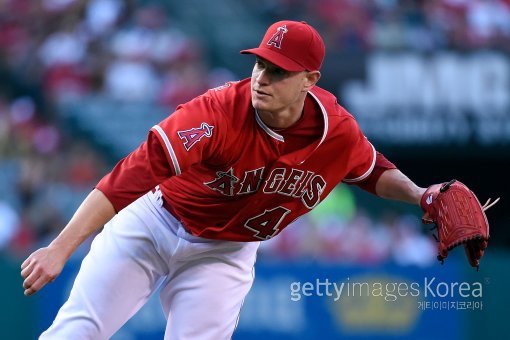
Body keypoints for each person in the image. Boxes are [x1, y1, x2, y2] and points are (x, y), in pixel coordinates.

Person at [21, 20, 428, 339]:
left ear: (310, 80)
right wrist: (60, 247)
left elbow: (372, 170)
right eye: (260, 63)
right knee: (77, 332)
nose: (262, 78)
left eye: (279, 71)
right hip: (156, 222)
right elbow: (130, 174)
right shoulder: (217, 112)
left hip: (225, 252)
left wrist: (422, 196)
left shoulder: (335, 130)